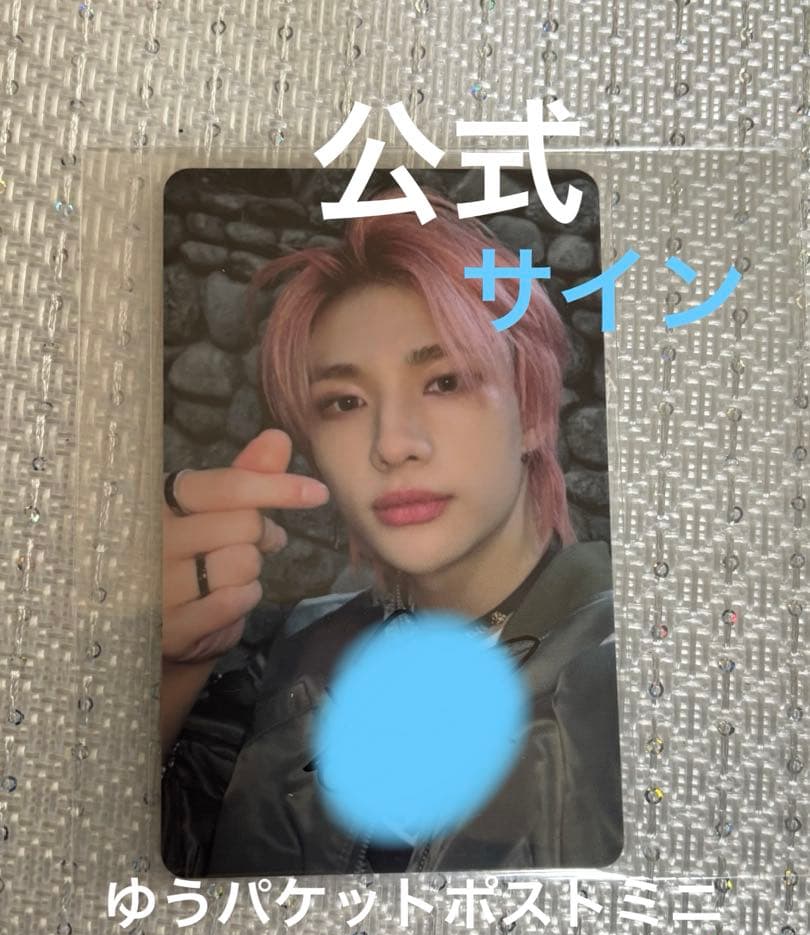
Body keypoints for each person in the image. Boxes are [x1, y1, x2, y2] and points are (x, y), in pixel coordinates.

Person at [161, 189, 622, 877]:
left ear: (530, 411)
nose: (392, 444)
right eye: (345, 402)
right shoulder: (293, 660)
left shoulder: (638, 663)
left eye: (445, 381)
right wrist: (169, 672)